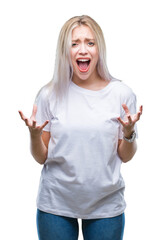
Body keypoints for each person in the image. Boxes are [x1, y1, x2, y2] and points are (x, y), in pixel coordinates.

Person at [18, 15, 142, 240]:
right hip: (56, 204)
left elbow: (126, 156)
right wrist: (34, 136)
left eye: (90, 43)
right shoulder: (49, 94)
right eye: (74, 43)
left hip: (106, 205)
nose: (83, 50)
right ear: (65, 51)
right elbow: (41, 157)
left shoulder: (121, 94)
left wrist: (129, 133)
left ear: (99, 49)